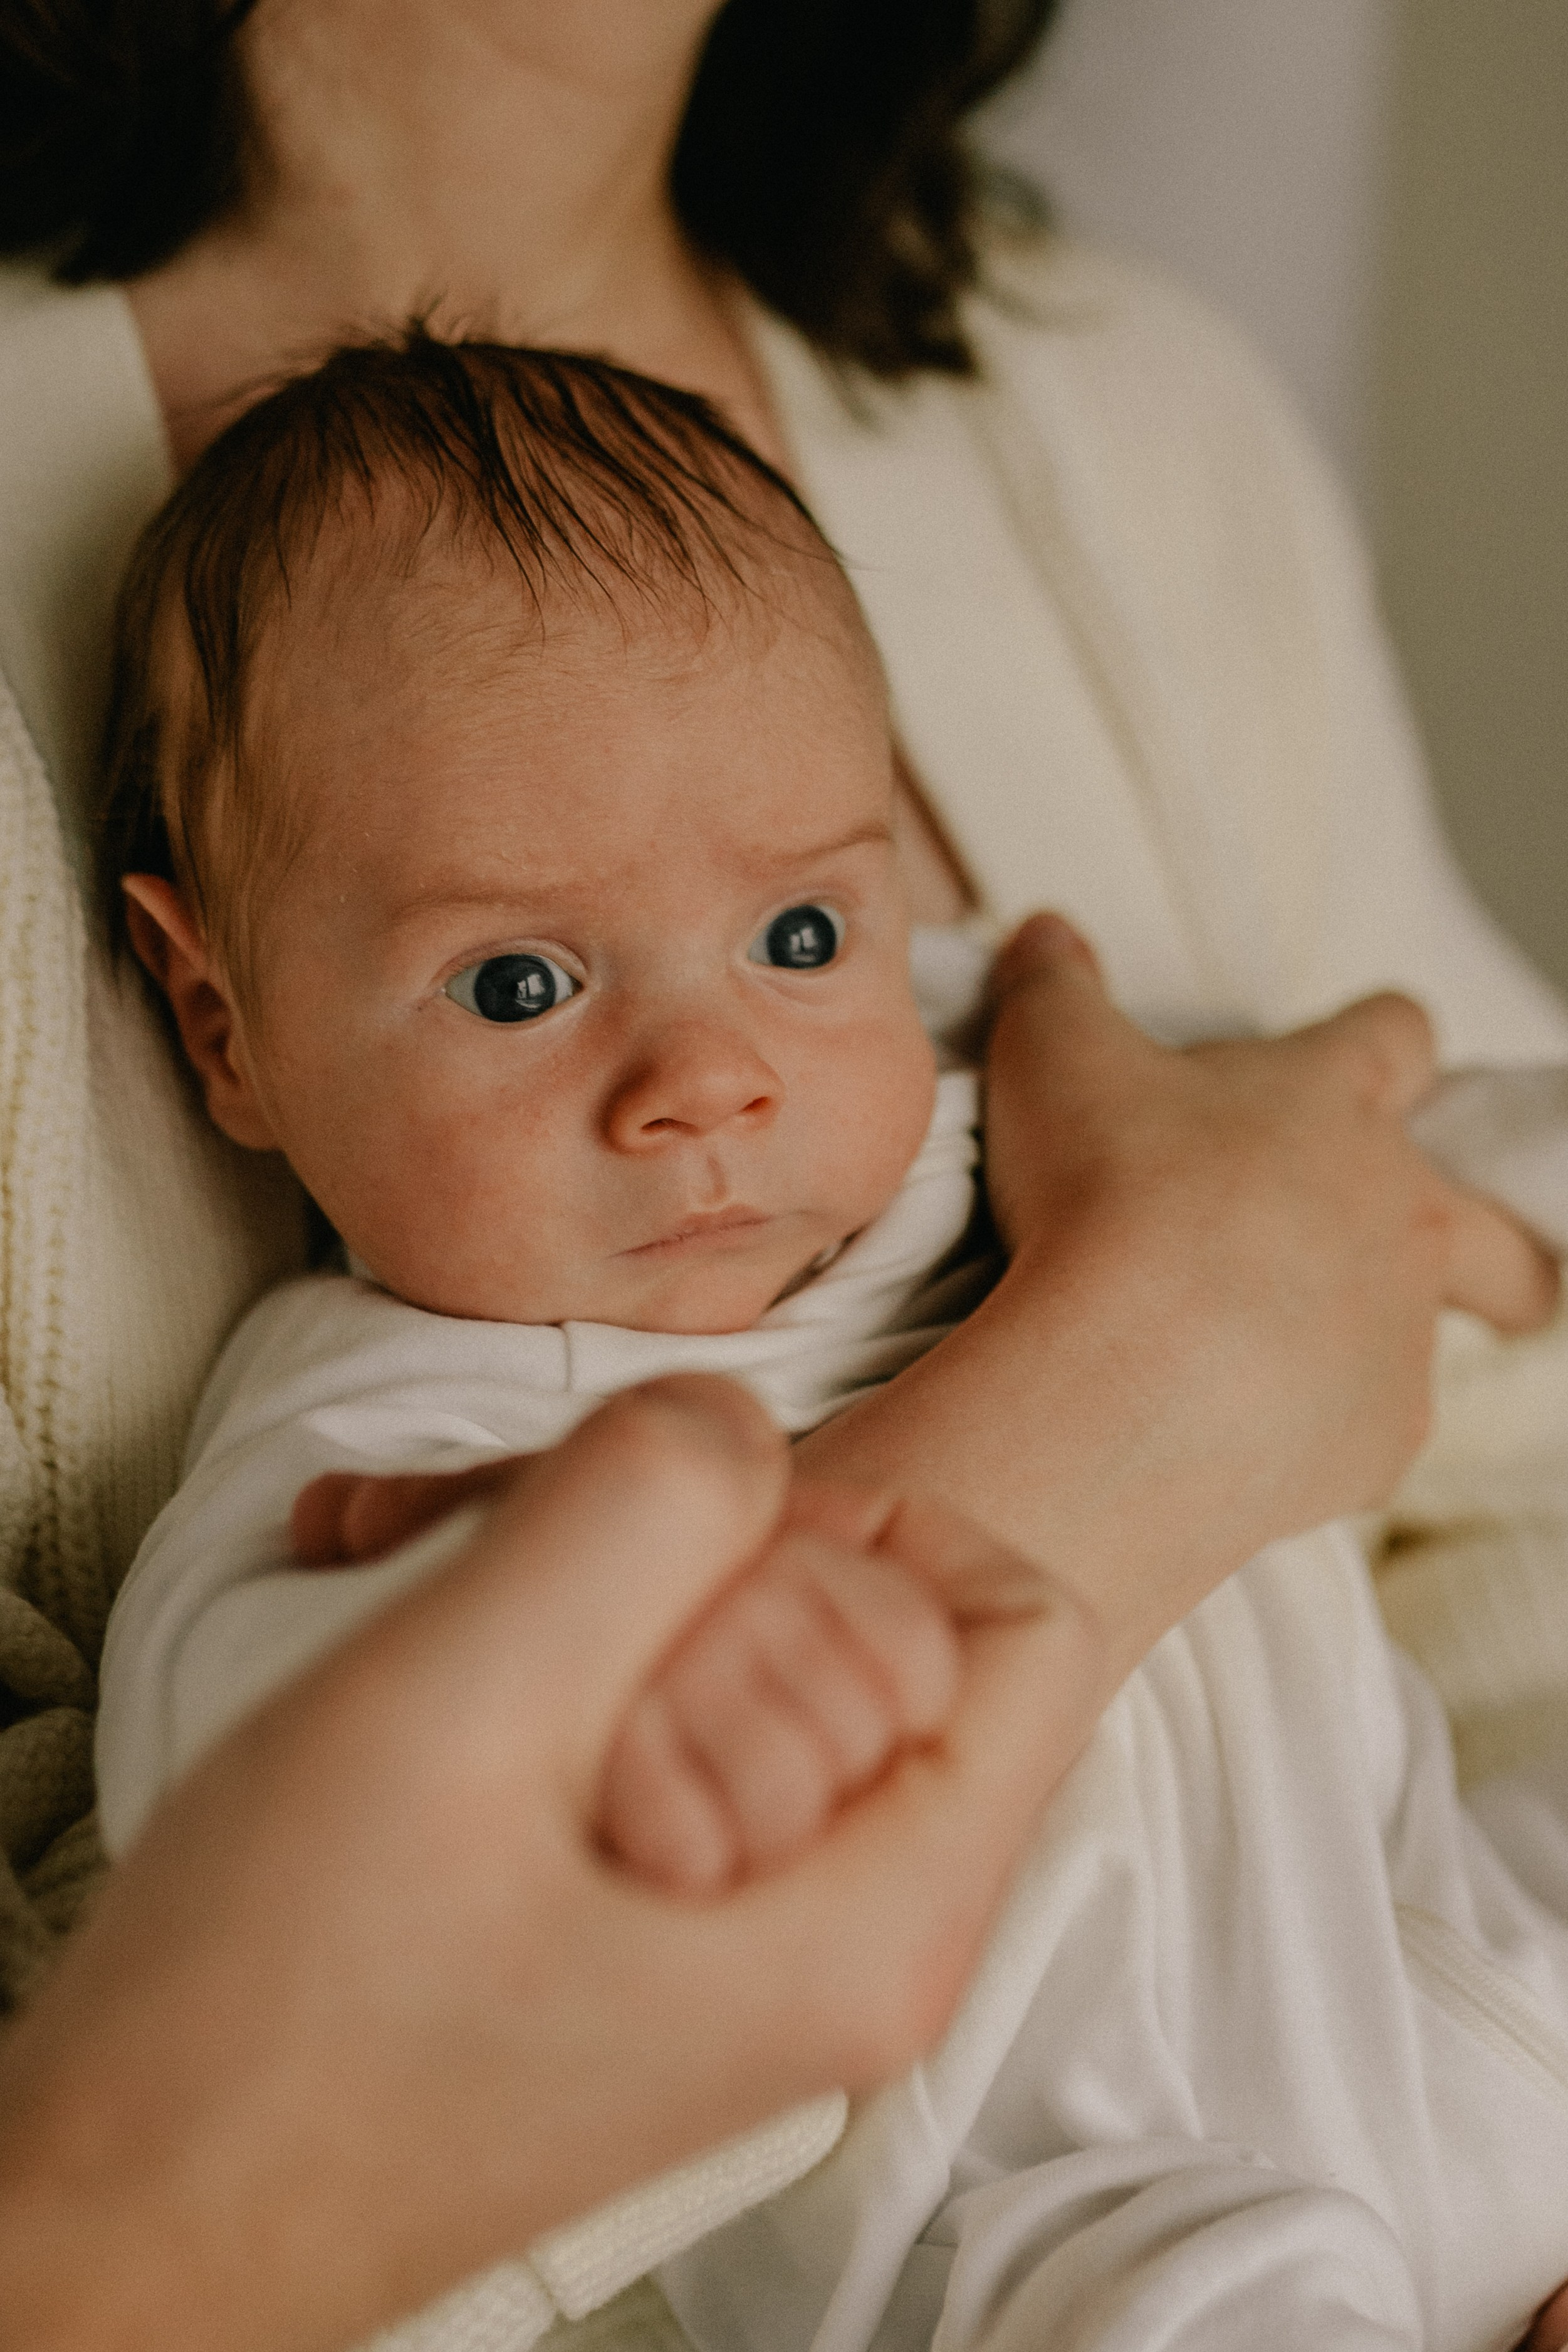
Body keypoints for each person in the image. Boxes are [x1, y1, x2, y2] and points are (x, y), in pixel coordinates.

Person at [1, 0, 1564, 2331]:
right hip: (1085, 2217)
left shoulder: (1115, 435)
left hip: (1456, 2002)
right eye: (519, 989)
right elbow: (310, 1940)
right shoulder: (379, 1447)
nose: (707, 1080)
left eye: (801, 933)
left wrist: (1438, 1206)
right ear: (217, 1018)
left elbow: (1426, 1222)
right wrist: (1142, 1386)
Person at [0, 1374, 1111, 2352]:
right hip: (1015, 2167)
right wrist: (644, 1724)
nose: (697, 1120)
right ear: (252, 1122)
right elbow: (222, 1748)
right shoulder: (377, 1389)